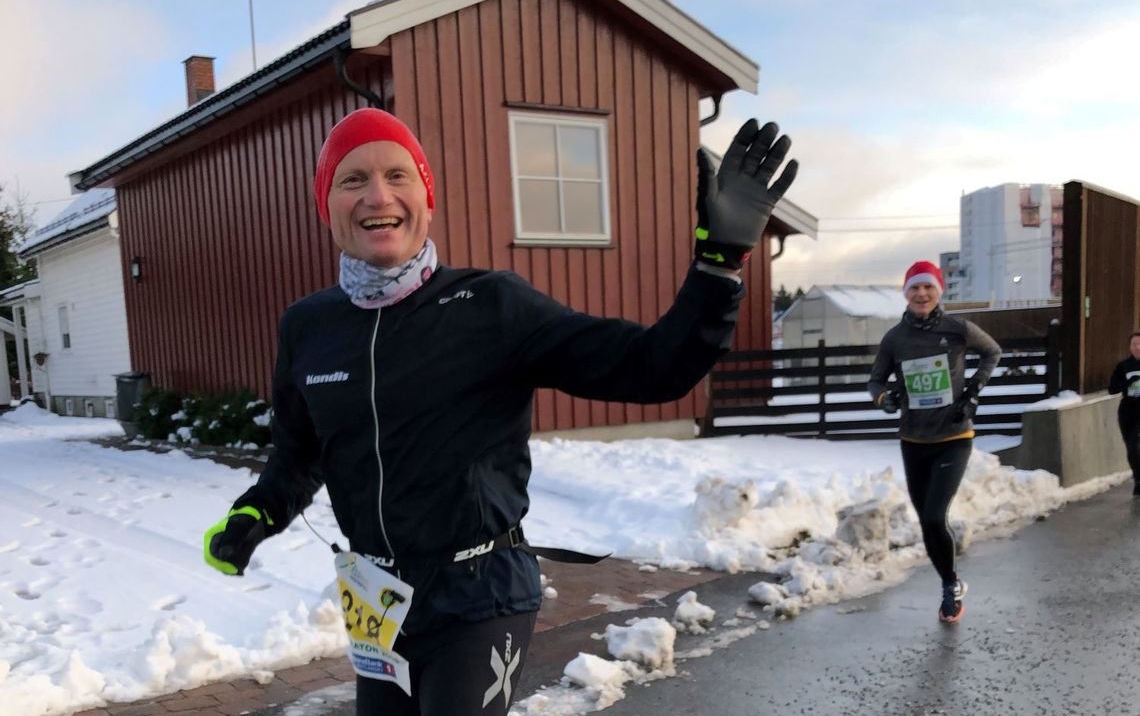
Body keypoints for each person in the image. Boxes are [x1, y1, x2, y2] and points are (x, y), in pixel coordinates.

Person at [201, 107, 798, 715]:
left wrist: (717, 263)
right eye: (352, 179)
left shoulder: (491, 307)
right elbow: (300, 452)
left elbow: (654, 367)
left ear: (426, 197)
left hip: (479, 595)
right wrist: (257, 512)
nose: (377, 195)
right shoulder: (309, 327)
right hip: (376, 599)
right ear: (326, 205)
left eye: (397, 175)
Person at [868, 260, 1001, 624]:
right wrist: (884, 400)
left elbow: (992, 351)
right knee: (927, 523)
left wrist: (973, 392)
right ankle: (951, 581)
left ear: (938, 291)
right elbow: (875, 381)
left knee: (932, 514)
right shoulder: (895, 338)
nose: (921, 294)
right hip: (913, 439)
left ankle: (947, 590)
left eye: (928, 288)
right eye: (915, 288)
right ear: (907, 294)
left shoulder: (957, 328)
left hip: (954, 437)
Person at [1108, 331, 1140, 496]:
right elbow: (1112, 389)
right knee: (1130, 446)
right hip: (1128, 410)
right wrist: (1126, 383)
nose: (1137, 347)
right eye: (1134, 344)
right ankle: (1137, 477)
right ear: (1129, 347)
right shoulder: (1123, 366)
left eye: (1139, 344)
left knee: (1136, 442)